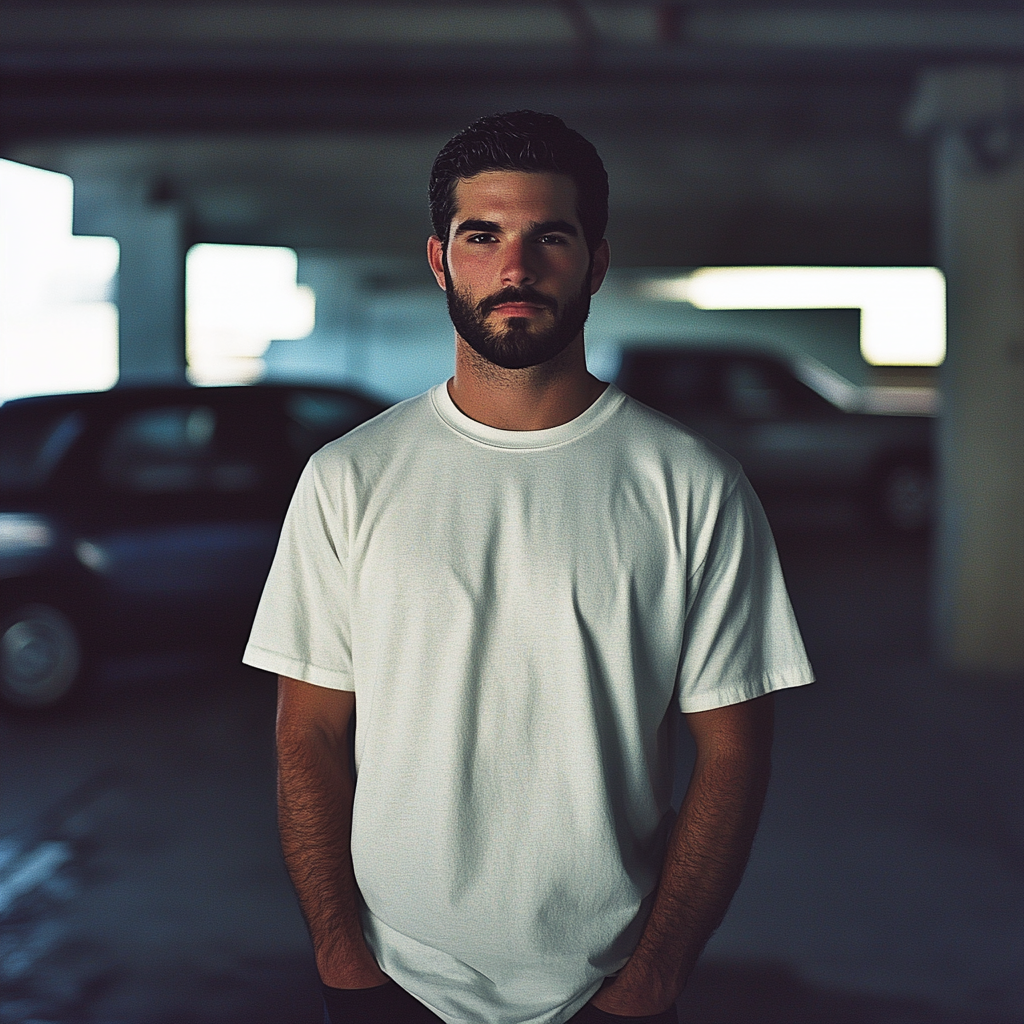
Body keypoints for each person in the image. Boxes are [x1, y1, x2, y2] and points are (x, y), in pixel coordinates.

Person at [243, 110, 814, 1024]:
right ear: (440, 260)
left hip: (608, 986)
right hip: (393, 980)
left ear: (595, 261)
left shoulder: (692, 485)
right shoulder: (349, 478)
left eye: (550, 236)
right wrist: (340, 951)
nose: (515, 268)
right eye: (484, 236)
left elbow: (735, 748)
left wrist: (657, 972)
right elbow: (306, 732)